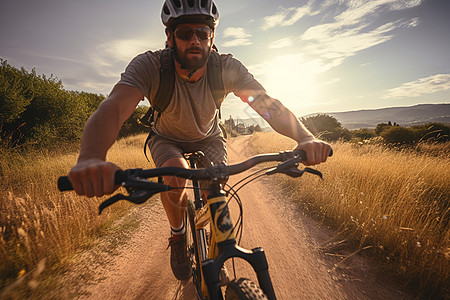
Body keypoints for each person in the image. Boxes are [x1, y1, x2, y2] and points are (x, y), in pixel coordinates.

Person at [68, 0, 332, 281]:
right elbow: (114, 107)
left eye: (203, 34)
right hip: (167, 138)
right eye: (184, 34)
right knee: (175, 177)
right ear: (170, 38)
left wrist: (305, 137)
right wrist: (91, 157)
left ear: (212, 37)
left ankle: (219, 252)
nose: (194, 40)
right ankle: (179, 234)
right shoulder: (151, 65)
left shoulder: (227, 68)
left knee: (215, 187)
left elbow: (268, 105)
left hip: (209, 138)